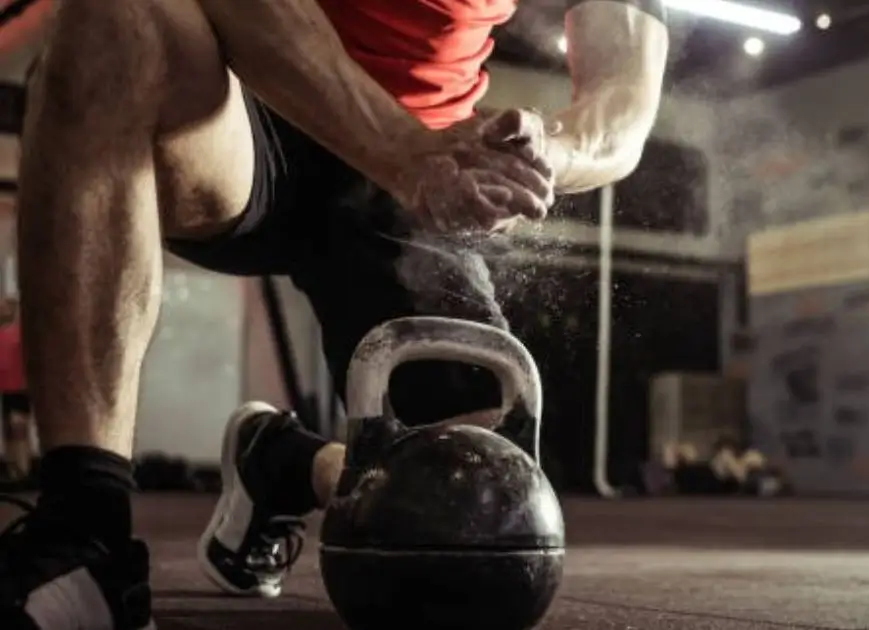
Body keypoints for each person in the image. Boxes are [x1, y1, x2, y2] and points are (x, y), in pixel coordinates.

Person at [0, 0, 668, 627]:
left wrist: (551, 151)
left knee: (471, 518)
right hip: (245, 116)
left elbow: (624, 107)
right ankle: (86, 538)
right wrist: (398, 148)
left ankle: (287, 463)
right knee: (116, 15)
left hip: (417, 185)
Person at [0, 298, 33, 482]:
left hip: (18, 388)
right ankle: (14, 468)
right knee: (9, 429)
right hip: (7, 389)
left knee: (17, 428)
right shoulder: (4, 333)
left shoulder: (19, 334)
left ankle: (22, 468)